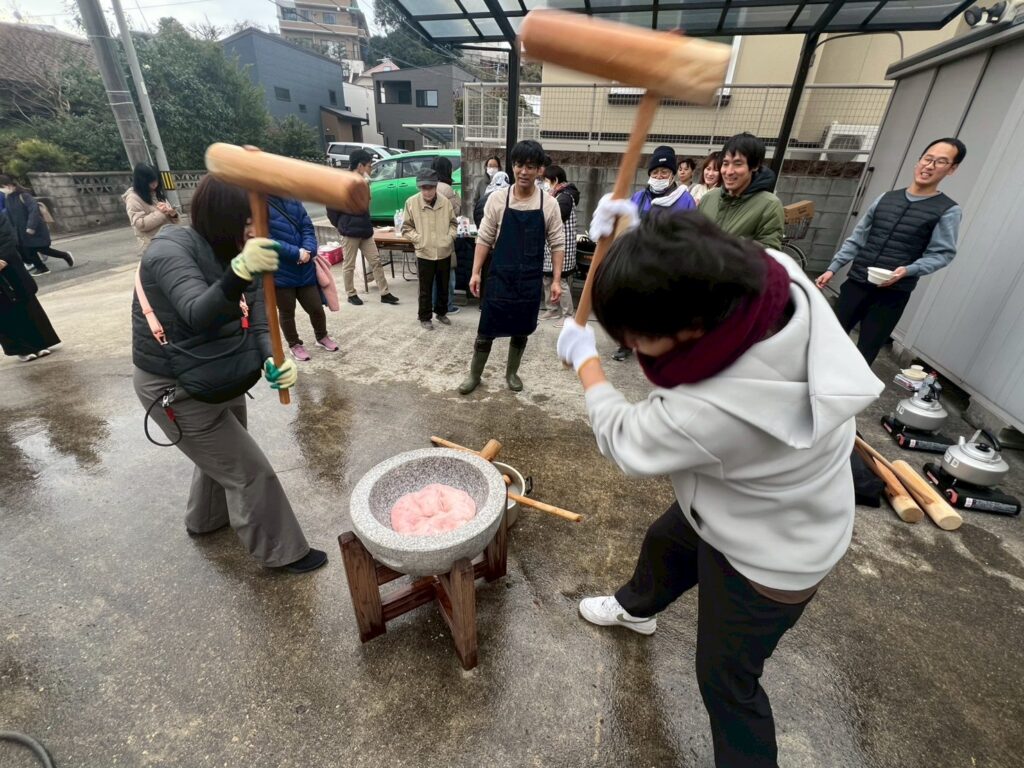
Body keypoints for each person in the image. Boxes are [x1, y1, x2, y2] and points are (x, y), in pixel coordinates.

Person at [556, 210, 882, 768]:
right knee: (667, 542)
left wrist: (586, 361)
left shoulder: (713, 408)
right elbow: (698, 251)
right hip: (740, 496)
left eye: (636, 338)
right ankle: (636, 609)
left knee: (727, 681)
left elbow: (625, 439)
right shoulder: (767, 275)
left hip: (774, 554)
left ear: (691, 329)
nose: (631, 347)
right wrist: (636, 236)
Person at [132, 174, 327, 574]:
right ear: (222, 217)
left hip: (219, 369)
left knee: (222, 455)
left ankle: (205, 519)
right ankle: (283, 551)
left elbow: (260, 319)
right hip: (176, 387)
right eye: (247, 222)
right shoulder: (170, 248)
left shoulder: (239, 250)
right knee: (248, 471)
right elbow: (197, 312)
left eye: (259, 221)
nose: (256, 232)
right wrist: (240, 272)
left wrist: (274, 359)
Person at [816, 138, 965, 366]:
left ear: (952, 169)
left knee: (865, 353)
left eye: (940, 162)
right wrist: (833, 268)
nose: (930, 166)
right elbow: (858, 238)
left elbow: (942, 254)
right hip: (856, 283)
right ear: (918, 161)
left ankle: (850, 387)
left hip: (893, 295)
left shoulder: (948, 210)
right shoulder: (886, 198)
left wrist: (908, 270)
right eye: (927, 159)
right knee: (827, 340)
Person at [460, 140, 565, 394]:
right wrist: (475, 272)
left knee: (521, 330)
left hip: (528, 280)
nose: (523, 172)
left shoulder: (548, 204)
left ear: (539, 170)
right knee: (486, 329)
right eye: (519, 165)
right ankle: (475, 374)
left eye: (530, 166)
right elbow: (484, 238)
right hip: (500, 277)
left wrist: (556, 280)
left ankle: (512, 373)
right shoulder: (498, 199)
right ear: (513, 166)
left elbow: (557, 243)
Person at [606, 146, 697, 361]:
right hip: (638, 260)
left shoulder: (684, 200)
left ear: (672, 175)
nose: (659, 176)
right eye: (655, 172)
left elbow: (692, 233)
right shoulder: (639, 197)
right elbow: (624, 226)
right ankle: (626, 345)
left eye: (664, 172)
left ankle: (659, 348)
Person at [267, 194, 338, 361]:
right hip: (280, 270)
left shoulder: (292, 200)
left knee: (316, 307)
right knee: (287, 311)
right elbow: (266, 239)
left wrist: (308, 250)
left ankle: (322, 336)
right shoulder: (259, 203)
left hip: (304, 268)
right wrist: (296, 253)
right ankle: (294, 344)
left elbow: (307, 227)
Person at [328, 149, 400, 307]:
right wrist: (341, 225)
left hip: (365, 230)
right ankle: (351, 293)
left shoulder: (365, 183)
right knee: (349, 264)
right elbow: (332, 208)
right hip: (349, 231)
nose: (371, 169)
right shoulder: (342, 182)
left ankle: (385, 293)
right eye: (369, 165)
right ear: (360, 166)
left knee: (376, 261)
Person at [698, 134, 784, 250]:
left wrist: (731, 245)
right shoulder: (709, 197)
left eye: (738, 164)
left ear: (754, 166)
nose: (729, 171)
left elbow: (769, 252)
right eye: (725, 164)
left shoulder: (769, 205)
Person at [0, 211, 61, 361]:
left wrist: (3, 258)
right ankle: (21, 349)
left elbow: (7, 236)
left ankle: (42, 343)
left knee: (27, 303)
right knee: (5, 312)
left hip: (8, 264)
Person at [402, 168, 456, 330]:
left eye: (430, 187)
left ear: (436, 186)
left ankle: (441, 312)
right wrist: (419, 240)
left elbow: (453, 223)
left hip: (444, 251)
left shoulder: (445, 202)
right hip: (424, 252)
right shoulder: (411, 203)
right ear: (419, 187)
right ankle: (424, 317)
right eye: (424, 187)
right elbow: (406, 228)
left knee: (443, 285)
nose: (427, 191)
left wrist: (448, 238)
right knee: (425, 288)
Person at [0, 175, 74, 276]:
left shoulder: (24, 195)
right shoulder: (8, 197)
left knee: (42, 249)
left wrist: (31, 227)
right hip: (20, 230)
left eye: (1, 187)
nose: (2, 190)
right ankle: (42, 268)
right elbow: (9, 214)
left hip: (34, 229)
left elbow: (33, 211)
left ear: (8, 185)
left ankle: (65, 255)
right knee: (28, 250)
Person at [540, 164, 578, 325]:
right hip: (551, 245)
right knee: (547, 278)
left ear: (555, 180)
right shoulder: (557, 195)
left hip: (561, 246)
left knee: (560, 280)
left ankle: (568, 314)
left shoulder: (564, 197)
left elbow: (556, 219)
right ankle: (552, 309)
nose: (545, 184)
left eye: (546, 180)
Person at [123, 163, 180, 254]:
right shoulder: (133, 198)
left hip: (170, 239)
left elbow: (175, 220)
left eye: (156, 180)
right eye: (150, 181)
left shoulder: (157, 193)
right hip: (154, 246)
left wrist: (173, 214)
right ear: (141, 181)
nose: (154, 184)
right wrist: (161, 213)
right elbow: (140, 224)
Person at [431, 155, 463, 315]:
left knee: (432, 275)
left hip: (428, 238)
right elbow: (455, 212)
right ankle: (447, 306)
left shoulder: (427, 187)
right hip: (444, 237)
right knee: (448, 274)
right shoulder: (447, 189)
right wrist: (457, 198)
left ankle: (432, 304)